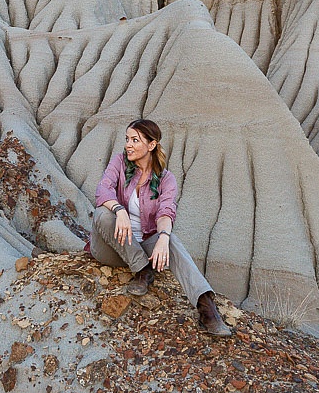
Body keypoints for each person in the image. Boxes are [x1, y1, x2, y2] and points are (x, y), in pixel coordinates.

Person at [91, 118, 232, 337]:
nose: (128, 144)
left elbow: (166, 213)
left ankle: (207, 308)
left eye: (135, 140)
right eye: (127, 139)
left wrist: (164, 237)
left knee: (170, 239)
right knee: (103, 214)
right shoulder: (119, 163)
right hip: (112, 248)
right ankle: (143, 271)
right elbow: (102, 190)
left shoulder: (166, 179)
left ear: (151, 144)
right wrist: (119, 210)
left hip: (143, 244)